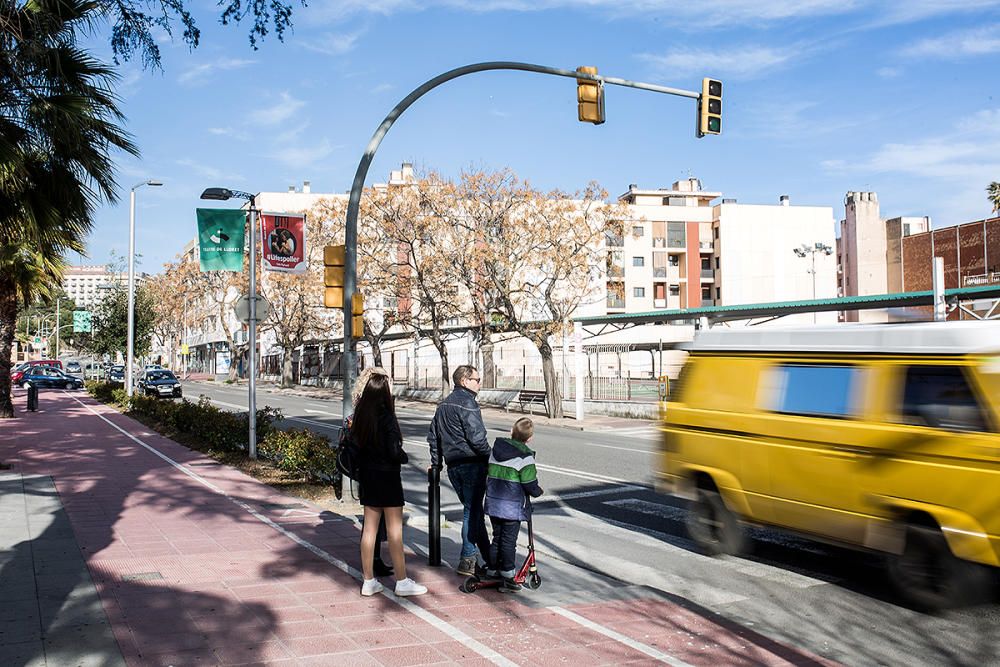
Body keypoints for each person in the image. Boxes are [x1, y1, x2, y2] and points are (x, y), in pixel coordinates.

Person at [354, 369, 426, 597]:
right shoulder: (387, 416)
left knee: (369, 529)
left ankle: (368, 580)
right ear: (384, 392)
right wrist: (403, 457)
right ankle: (402, 581)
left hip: (367, 476)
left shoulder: (360, 415)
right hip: (388, 477)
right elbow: (394, 451)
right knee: (395, 531)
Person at [427, 365, 493, 576]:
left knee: (473, 511)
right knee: (470, 512)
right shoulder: (468, 403)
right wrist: (492, 458)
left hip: (453, 466)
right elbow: (477, 438)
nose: (479, 383)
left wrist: (437, 464)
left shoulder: (443, 405)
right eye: (476, 379)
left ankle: (490, 557)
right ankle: (467, 559)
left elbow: (434, 438)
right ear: (464, 381)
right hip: (472, 464)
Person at [484, 417, 543, 593]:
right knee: (509, 541)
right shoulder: (525, 458)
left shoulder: (495, 451)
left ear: (512, 431)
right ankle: (508, 574)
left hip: (493, 503)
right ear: (530, 438)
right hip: (512, 507)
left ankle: (492, 569)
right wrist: (537, 491)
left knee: (497, 538)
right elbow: (529, 483)